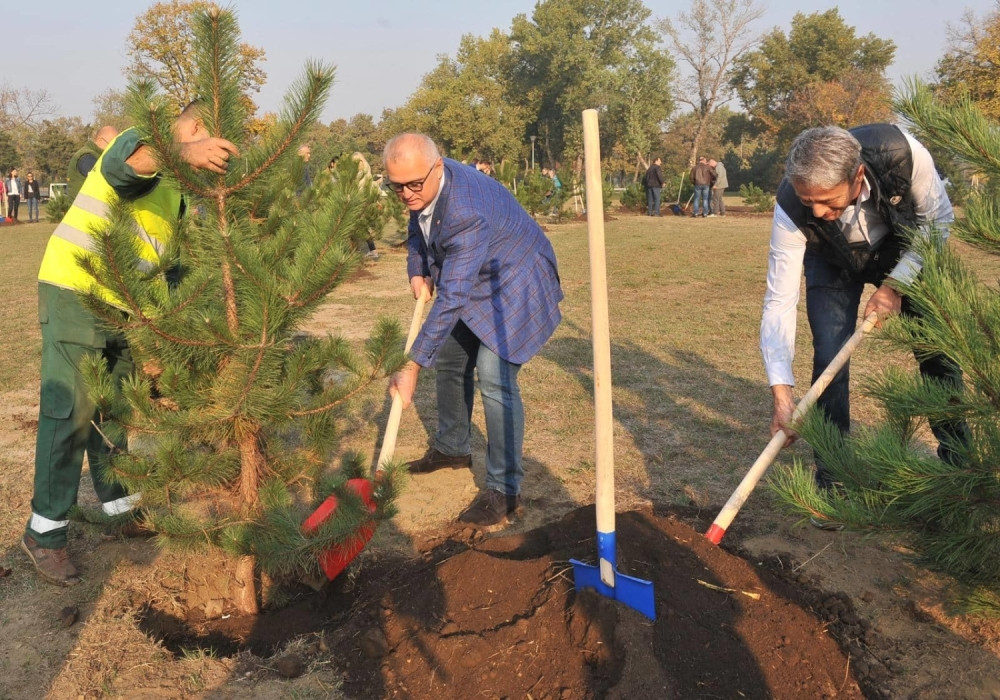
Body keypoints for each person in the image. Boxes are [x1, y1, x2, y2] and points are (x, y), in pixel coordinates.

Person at [23, 103, 238, 585]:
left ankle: (121, 506)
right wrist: (184, 151)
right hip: (73, 289)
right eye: (216, 143)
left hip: (120, 305)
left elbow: (169, 270)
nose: (217, 157)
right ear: (199, 128)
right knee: (71, 412)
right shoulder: (146, 140)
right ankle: (44, 532)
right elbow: (125, 166)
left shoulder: (177, 193)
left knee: (115, 408)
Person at [762, 124, 970, 497]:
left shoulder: (903, 155)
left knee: (937, 353)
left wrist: (896, 285)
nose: (820, 211)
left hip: (906, 248)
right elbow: (779, 300)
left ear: (857, 176)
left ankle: (961, 468)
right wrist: (782, 394)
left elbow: (938, 221)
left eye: (829, 200)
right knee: (830, 357)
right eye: (810, 201)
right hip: (831, 260)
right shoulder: (791, 207)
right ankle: (834, 480)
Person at [383, 132, 563, 527]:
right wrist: (417, 269)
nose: (407, 194)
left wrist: (410, 365)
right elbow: (419, 222)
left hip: (516, 279)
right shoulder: (422, 187)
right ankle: (452, 448)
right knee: (449, 358)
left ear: (438, 166)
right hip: (477, 272)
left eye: (415, 184)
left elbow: (453, 295)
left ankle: (503, 490)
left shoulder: (466, 210)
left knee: (494, 375)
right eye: (397, 186)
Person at [67, 126, 118, 201]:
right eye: (112, 144)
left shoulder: (101, 157)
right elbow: (102, 177)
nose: (115, 148)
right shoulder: (86, 157)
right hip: (83, 211)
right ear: (100, 140)